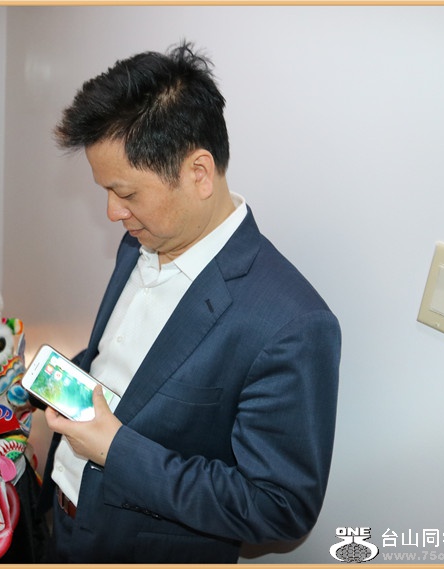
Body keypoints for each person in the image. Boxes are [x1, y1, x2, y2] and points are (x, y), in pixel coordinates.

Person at [37, 41, 341, 564]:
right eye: (105, 191)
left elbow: (279, 507)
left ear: (199, 173)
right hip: (59, 522)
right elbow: (123, 369)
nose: (112, 212)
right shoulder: (138, 242)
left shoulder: (290, 324)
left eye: (126, 193)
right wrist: (49, 381)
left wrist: (115, 451)